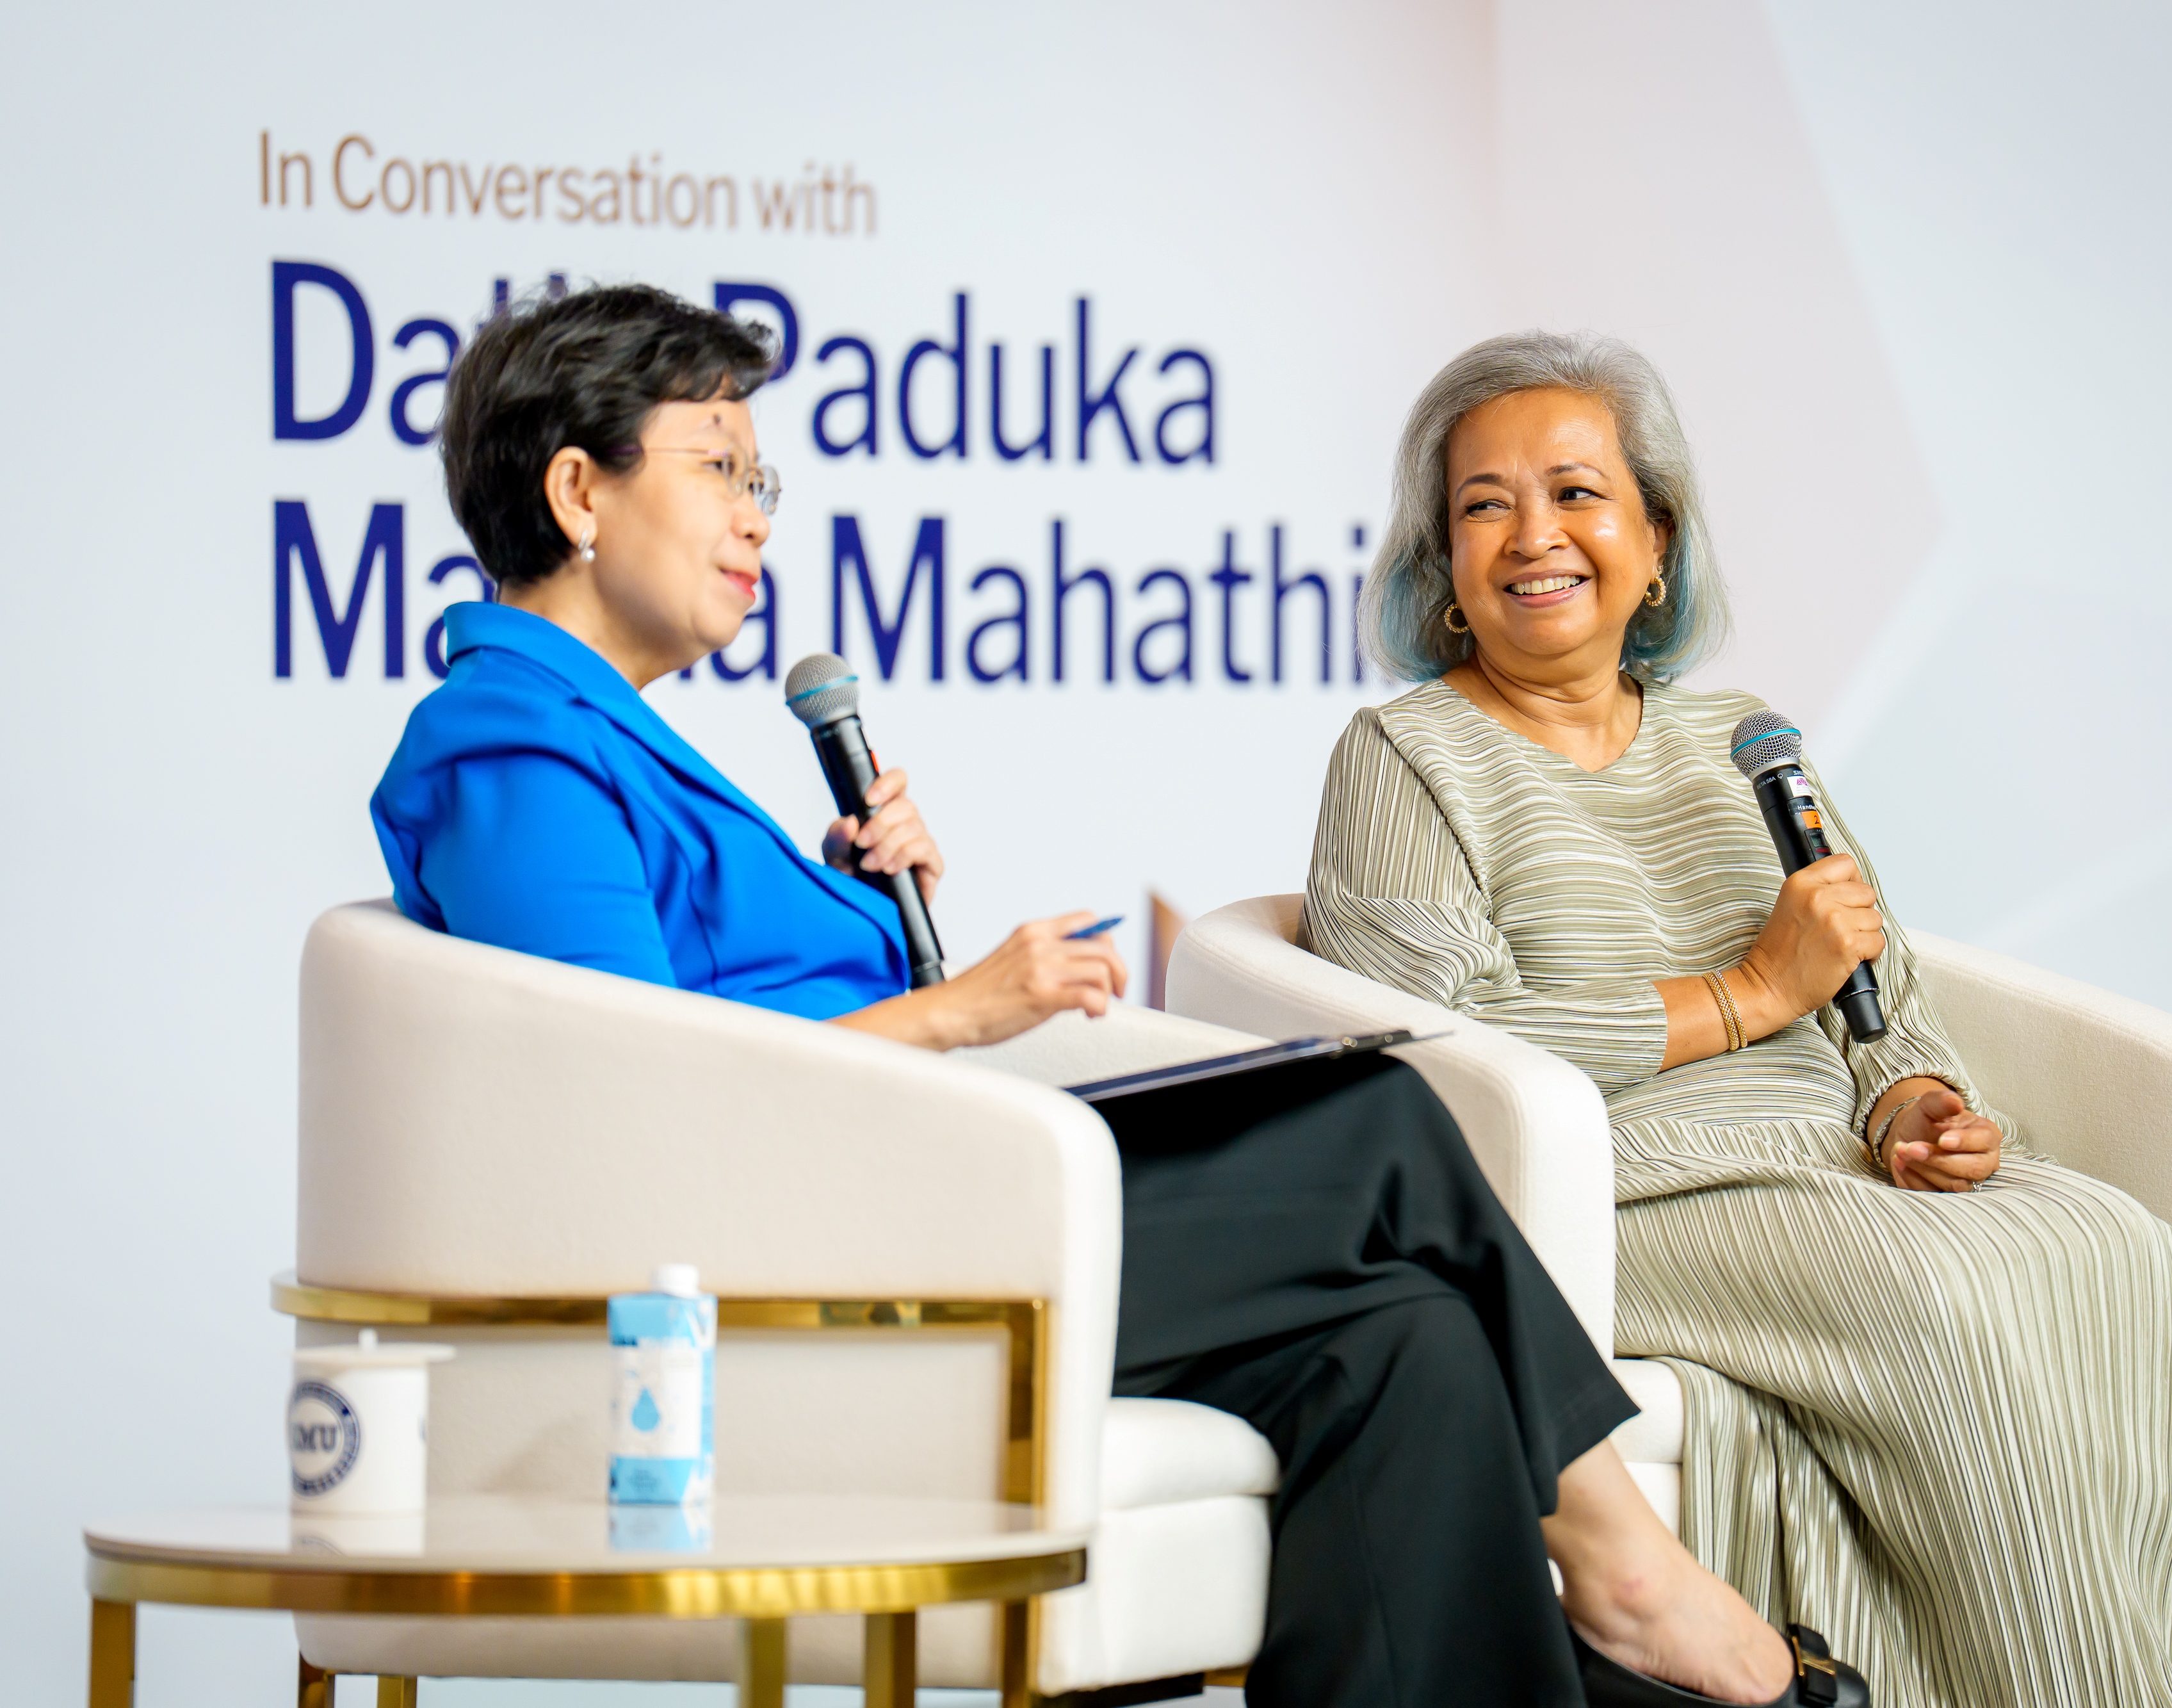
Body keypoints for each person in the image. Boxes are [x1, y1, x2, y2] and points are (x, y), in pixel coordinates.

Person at [369, 285, 1868, 1708]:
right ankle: (1626, 1573)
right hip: (808, 1274)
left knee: (1404, 1342)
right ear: (579, 493)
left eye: (762, 477)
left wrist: (868, 917)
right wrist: (960, 1008)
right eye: (718, 467)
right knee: (1376, 1122)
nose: (757, 513)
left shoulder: (602, 737)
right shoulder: (509, 738)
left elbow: (721, 1013)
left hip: (917, 1203)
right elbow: (645, 1099)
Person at [1301, 330, 2172, 1708]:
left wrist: (1912, 1105)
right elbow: (1437, 1052)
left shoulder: (1746, 741)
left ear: (1656, 541)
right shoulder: (1403, 755)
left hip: (1829, 1162)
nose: (1534, 536)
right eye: (1484, 505)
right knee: (1946, 1299)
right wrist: (1745, 995)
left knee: (2106, 1242)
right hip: (1620, 1188)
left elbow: (1880, 994)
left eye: (1577, 493)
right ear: (1442, 565)